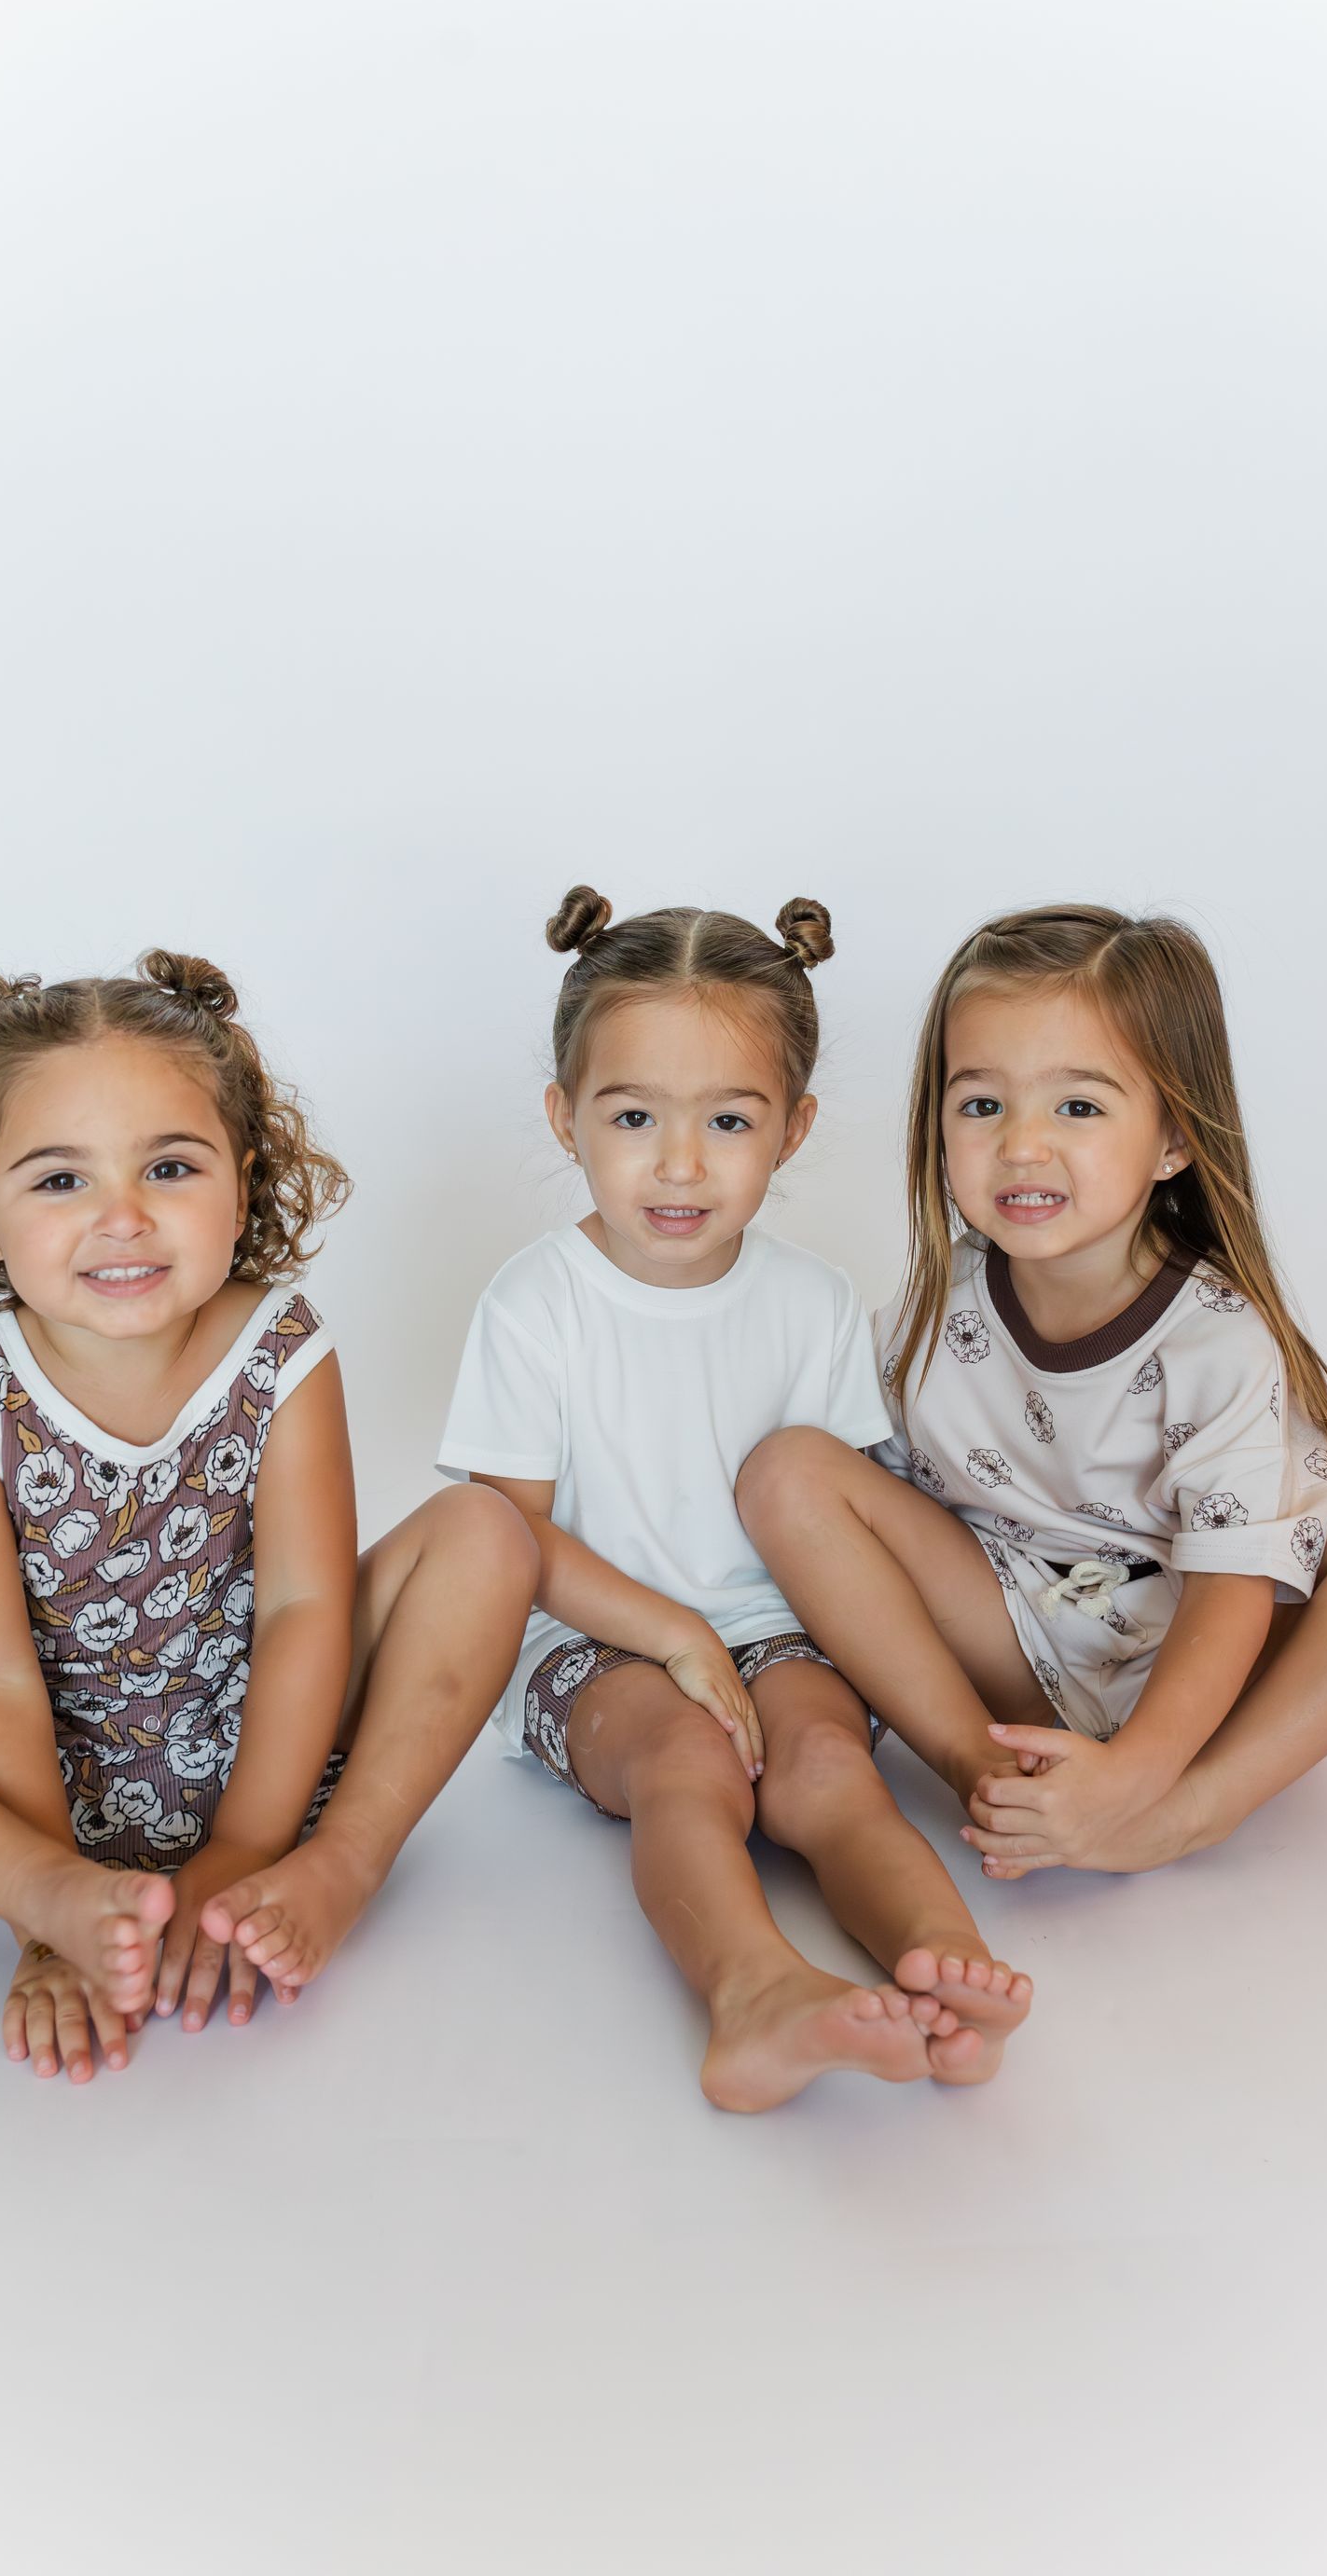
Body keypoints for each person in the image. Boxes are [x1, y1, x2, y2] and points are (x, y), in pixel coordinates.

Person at [0, 951, 537, 2080]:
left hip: (276, 1736)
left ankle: (341, 1865)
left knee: (485, 1533)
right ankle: (44, 1887)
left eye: (169, 1167)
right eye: (60, 1181)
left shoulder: (282, 1354)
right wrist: (47, 1914)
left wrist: (255, 1841)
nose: (122, 1218)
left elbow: (307, 1608)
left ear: (242, 1184)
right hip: (40, 1760)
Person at [736, 903, 1327, 1879]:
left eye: (1079, 1106)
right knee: (787, 1471)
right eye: (982, 1105)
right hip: (1024, 1642)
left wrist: (1144, 1772)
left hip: (1215, 1663)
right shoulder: (940, 1306)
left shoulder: (1218, 1341)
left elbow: (1233, 1589)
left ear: (1173, 1140)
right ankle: (991, 1776)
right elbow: (863, 1512)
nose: (1022, 1145)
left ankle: (1195, 1809)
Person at [438, 887, 1032, 2113]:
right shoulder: (535, 1304)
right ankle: (753, 1993)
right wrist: (677, 1637)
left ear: (795, 1129)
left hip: (779, 1625)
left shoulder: (813, 1303)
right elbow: (505, 1537)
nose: (679, 1162)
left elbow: (844, 1515)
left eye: (728, 1119)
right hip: (592, 1638)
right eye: (634, 1116)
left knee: (824, 1763)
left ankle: (941, 1962)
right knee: (687, 1763)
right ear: (566, 1119)